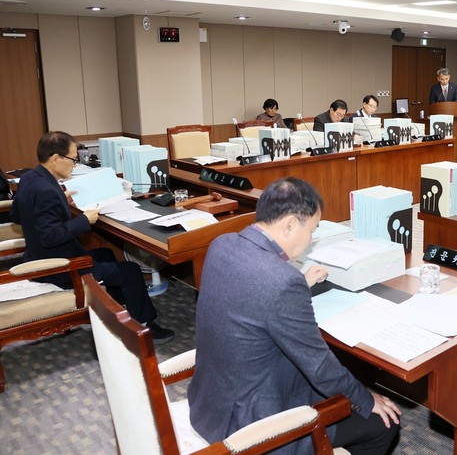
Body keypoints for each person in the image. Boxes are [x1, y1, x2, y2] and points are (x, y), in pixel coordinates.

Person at [188, 177, 400, 455]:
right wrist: (366, 399)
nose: (311, 239)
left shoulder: (222, 244)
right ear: (289, 225)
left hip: (209, 404)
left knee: (344, 373)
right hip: (252, 425)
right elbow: (320, 367)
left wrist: (300, 282)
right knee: (383, 424)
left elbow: (249, 293)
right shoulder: (283, 281)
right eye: (311, 230)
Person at [10, 131, 174, 343]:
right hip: (58, 267)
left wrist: (60, 200)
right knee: (131, 271)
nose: (75, 164)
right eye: (73, 159)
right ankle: (143, 327)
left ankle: (118, 313)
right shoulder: (46, 191)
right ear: (56, 158)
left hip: (39, 255)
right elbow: (50, 236)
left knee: (106, 253)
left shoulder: (30, 179)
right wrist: (84, 220)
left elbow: (17, 216)